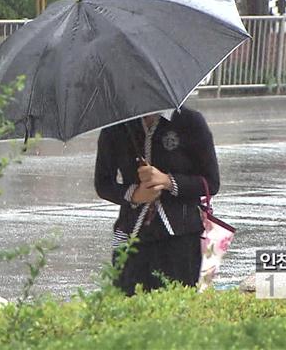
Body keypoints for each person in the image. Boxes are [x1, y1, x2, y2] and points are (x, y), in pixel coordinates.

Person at [94, 107, 220, 295]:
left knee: (177, 309)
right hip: (131, 236)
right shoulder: (115, 127)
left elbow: (210, 183)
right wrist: (134, 194)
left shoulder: (189, 121)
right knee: (129, 309)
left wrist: (168, 182)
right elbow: (103, 184)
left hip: (182, 239)